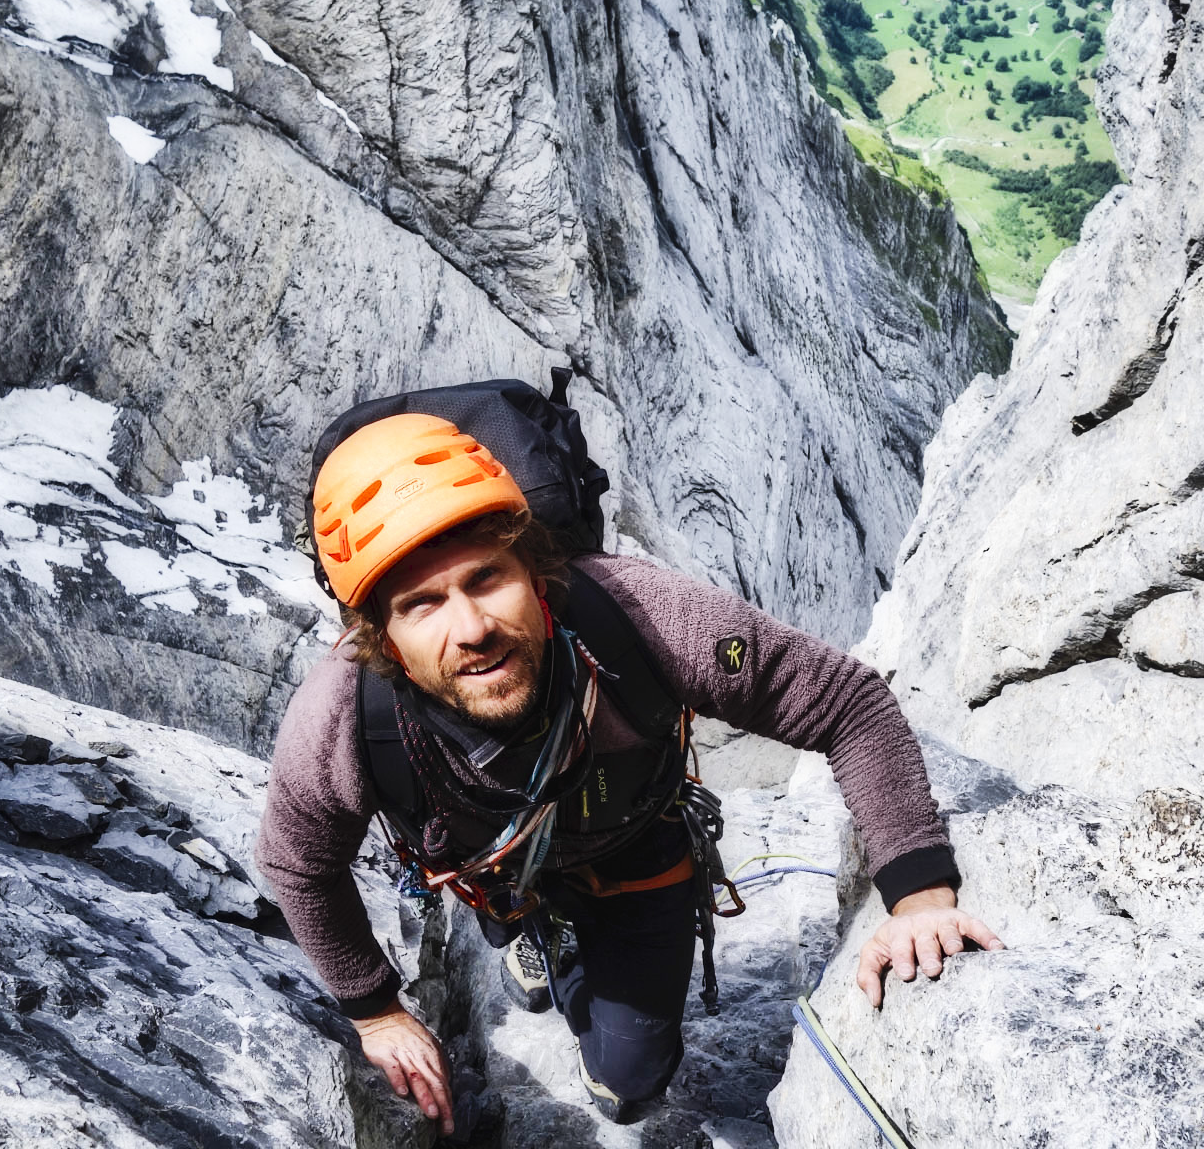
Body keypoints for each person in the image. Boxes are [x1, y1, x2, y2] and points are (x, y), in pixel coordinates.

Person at [255, 412, 1002, 1133]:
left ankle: (565, 947)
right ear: (379, 637)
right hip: (498, 872)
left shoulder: (635, 615)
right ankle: (537, 930)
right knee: (522, 910)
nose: (472, 628)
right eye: (422, 605)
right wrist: (374, 1008)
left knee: (629, 1087)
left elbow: (844, 701)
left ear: (535, 569)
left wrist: (918, 894)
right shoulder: (344, 717)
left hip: (634, 846)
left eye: (487, 579)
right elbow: (297, 864)